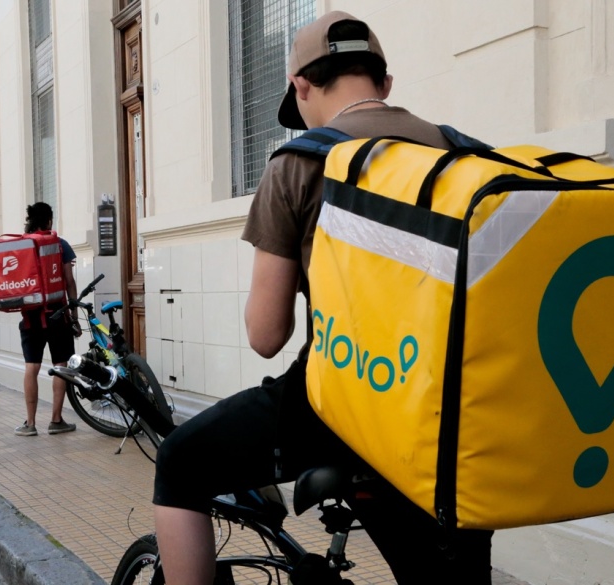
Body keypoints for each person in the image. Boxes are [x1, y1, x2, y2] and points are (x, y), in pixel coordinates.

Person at [153, 11, 493, 585]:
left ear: (301, 86)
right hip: (458, 416)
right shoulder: (467, 159)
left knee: (180, 462)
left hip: (343, 406)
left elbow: (266, 336)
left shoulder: (300, 163)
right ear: (385, 82)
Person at [14, 202, 81, 437]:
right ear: (49, 221)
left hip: (30, 317)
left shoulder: (22, 247)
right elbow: (69, 281)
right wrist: (74, 316)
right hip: (58, 315)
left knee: (31, 367)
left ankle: (30, 424)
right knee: (61, 366)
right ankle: (56, 420)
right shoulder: (60, 245)